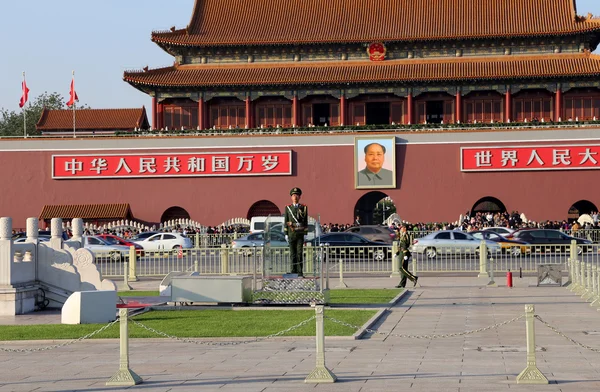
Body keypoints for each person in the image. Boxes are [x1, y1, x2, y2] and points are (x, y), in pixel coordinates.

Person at [284, 187, 308, 276]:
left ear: (300, 197)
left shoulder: (304, 207)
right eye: (294, 195)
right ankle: (293, 271)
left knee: (299, 253)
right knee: (292, 254)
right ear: (291, 197)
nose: (295, 197)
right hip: (291, 233)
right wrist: (286, 233)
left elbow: (305, 221)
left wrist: (305, 233)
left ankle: (300, 272)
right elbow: (285, 221)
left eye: (297, 195)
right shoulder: (288, 208)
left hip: (300, 234)